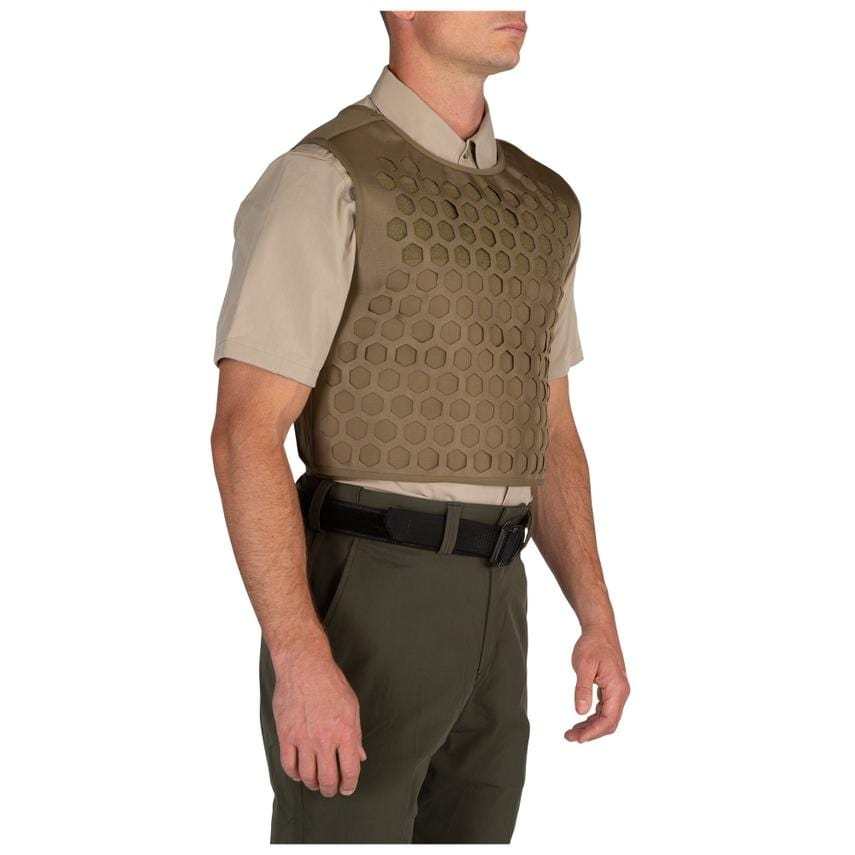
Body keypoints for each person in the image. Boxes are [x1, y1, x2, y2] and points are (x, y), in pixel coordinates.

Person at [211, 10, 629, 844]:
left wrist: (595, 613)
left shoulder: (545, 203)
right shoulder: (327, 176)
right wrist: (299, 655)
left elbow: (550, 427)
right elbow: (244, 434)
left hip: (500, 594)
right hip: (371, 586)